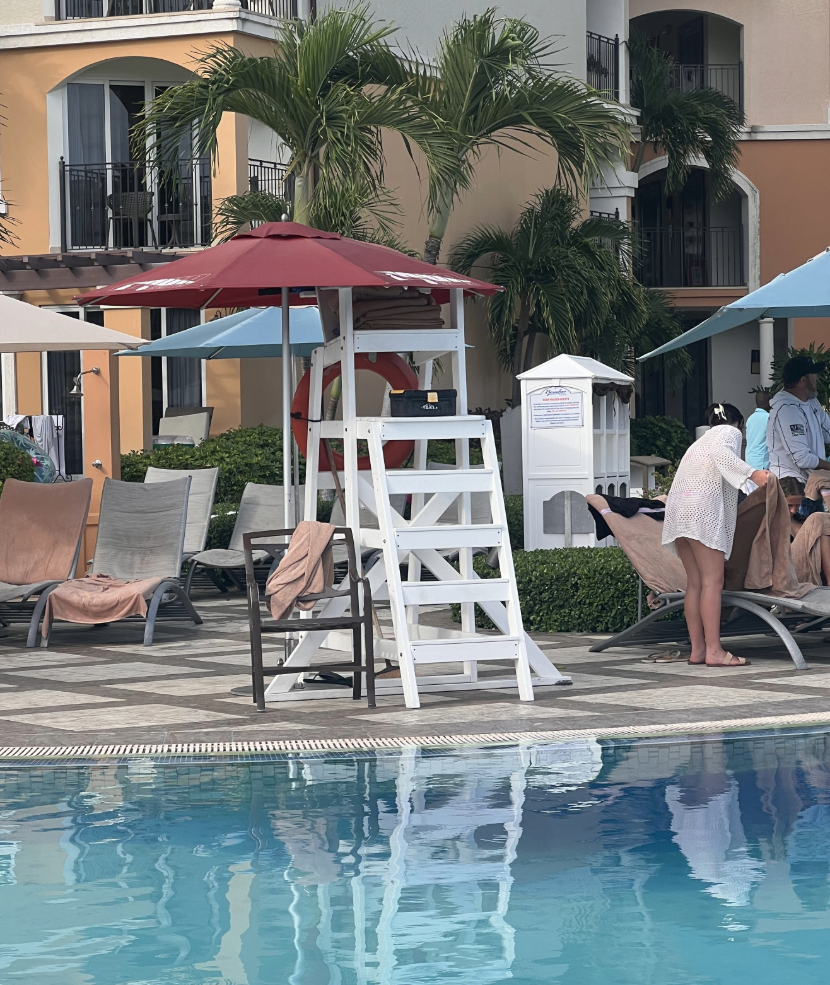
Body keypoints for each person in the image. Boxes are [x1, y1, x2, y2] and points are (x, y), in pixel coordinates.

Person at [662, 403, 770, 667]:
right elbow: (723, 454)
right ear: (739, 424)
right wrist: (753, 473)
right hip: (702, 512)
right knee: (712, 582)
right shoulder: (728, 434)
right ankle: (714, 651)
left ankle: (698, 650)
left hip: (678, 511)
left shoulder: (699, 442)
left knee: (695, 584)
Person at [767, 355, 830, 481]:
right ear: (803, 381)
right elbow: (802, 458)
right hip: (791, 484)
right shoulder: (786, 410)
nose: (817, 378)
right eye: (814, 374)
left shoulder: (812, 402)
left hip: (812, 481)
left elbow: (828, 432)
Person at [745, 390, 771, 470]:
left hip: (749, 460)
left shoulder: (750, 418)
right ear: (769, 402)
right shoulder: (769, 418)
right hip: (762, 462)